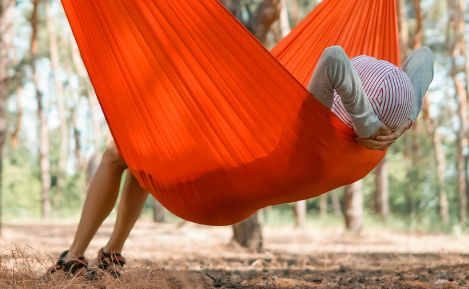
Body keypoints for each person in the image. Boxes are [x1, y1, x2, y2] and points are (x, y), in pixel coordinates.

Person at [47, 46, 435, 278]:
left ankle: (72, 258)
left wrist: (365, 122)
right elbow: (425, 57)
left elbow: (334, 58)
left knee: (116, 152)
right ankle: (112, 255)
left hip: (218, 188)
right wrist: (396, 123)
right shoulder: (371, 149)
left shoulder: (316, 131)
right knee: (142, 154)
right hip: (240, 188)